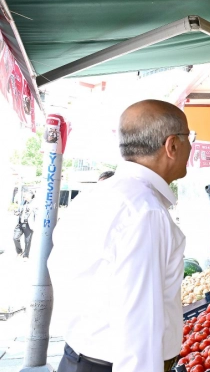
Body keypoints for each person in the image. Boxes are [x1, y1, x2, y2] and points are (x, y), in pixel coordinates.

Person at [48, 100, 192, 372]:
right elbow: (140, 326)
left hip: (77, 357)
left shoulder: (100, 195)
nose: (191, 147)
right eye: (189, 137)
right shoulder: (145, 212)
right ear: (172, 145)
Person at [13, 190, 36, 259]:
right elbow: (19, 211)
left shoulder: (35, 204)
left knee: (27, 241)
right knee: (15, 238)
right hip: (20, 223)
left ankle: (26, 255)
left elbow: (37, 214)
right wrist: (17, 212)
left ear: (30, 195)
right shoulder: (23, 202)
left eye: (25, 195)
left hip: (28, 224)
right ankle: (19, 251)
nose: (24, 196)